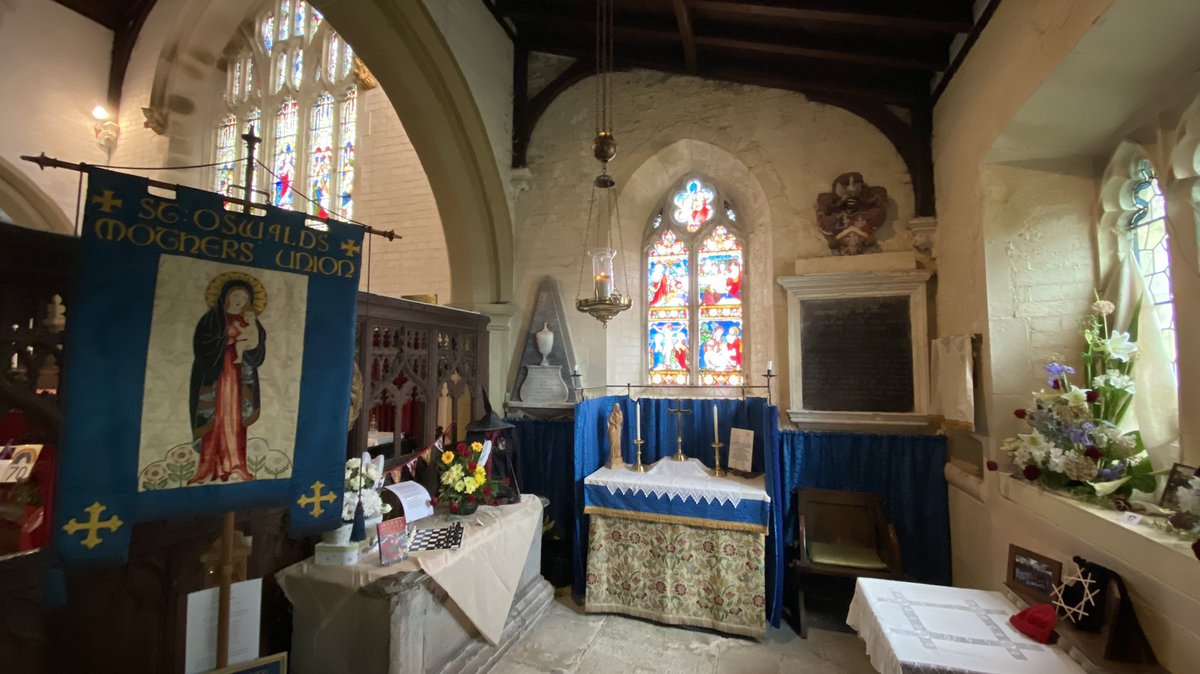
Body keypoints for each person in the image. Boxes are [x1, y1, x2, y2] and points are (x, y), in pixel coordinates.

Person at [189, 276, 266, 484]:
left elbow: (258, 350)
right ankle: (207, 467)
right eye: (236, 295)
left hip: (240, 379)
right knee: (214, 419)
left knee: (236, 419)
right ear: (226, 296)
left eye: (244, 296)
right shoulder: (212, 319)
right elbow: (202, 346)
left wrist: (248, 345)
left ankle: (236, 464)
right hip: (215, 376)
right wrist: (227, 341)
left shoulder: (250, 321)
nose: (240, 300)